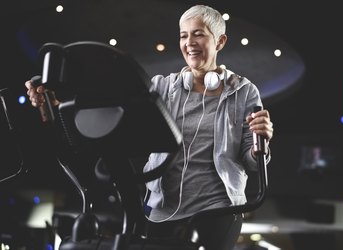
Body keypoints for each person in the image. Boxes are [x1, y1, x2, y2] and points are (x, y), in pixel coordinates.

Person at [25, 4, 273, 250]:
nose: (189, 42)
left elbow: (252, 161)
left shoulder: (243, 91)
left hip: (218, 210)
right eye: (184, 35)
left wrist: (260, 145)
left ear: (220, 41)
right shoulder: (162, 88)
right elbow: (113, 120)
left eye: (199, 34)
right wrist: (57, 105)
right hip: (161, 211)